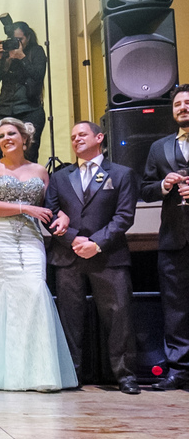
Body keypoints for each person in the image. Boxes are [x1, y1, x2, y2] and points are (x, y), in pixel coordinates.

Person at [0, 118, 77, 391]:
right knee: (0, 297)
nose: (5, 138)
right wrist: (26, 208)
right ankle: (1, 374)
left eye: (11, 133)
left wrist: (62, 215)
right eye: (1, 135)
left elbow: (50, 206)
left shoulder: (40, 170)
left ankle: (39, 374)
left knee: (34, 292)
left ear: (25, 138)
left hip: (30, 238)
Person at [46, 121, 139, 393]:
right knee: (70, 319)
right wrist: (72, 237)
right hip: (68, 255)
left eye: (82, 135)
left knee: (119, 317)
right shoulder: (61, 177)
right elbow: (49, 213)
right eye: (73, 137)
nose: (76, 140)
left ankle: (125, 376)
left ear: (99, 137)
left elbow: (124, 217)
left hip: (109, 256)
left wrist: (96, 243)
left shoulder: (122, 174)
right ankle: (71, 374)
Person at [141, 85, 189, 391]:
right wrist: (163, 185)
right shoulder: (159, 147)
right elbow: (145, 190)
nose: (183, 107)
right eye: (178, 104)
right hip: (173, 240)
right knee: (176, 308)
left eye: (188, 103)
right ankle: (180, 369)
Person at [0, 21, 47, 162]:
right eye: (14, 40)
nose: (17, 43)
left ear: (27, 37)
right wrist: (0, 58)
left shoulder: (36, 51)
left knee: (29, 154)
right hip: (4, 108)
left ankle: (30, 183)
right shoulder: (7, 54)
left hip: (30, 109)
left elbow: (38, 76)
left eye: (20, 40)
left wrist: (22, 57)